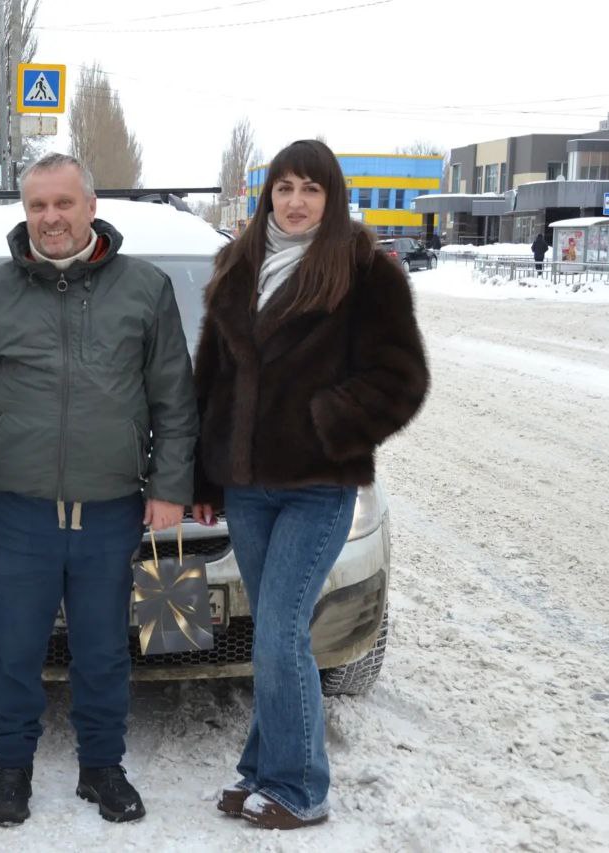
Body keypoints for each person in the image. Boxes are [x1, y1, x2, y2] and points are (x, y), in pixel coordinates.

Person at [0, 153, 198, 827]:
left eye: (63, 203)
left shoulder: (144, 288)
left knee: (104, 650)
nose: (50, 218)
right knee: (16, 649)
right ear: (25, 212)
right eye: (38, 206)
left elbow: (173, 397)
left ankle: (102, 766)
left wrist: (169, 485)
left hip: (111, 509)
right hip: (17, 509)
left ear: (90, 207)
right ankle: (11, 767)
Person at [191, 139, 429, 830]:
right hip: (247, 489)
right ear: (268, 194)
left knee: (281, 629)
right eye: (285, 187)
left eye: (312, 189)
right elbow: (212, 380)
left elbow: (402, 379)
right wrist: (204, 472)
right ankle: (260, 769)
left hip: (317, 486)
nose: (296, 202)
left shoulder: (364, 271)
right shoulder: (238, 265)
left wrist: (326, 424)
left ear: (333, 198)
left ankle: (300, 787)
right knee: (272, 630)